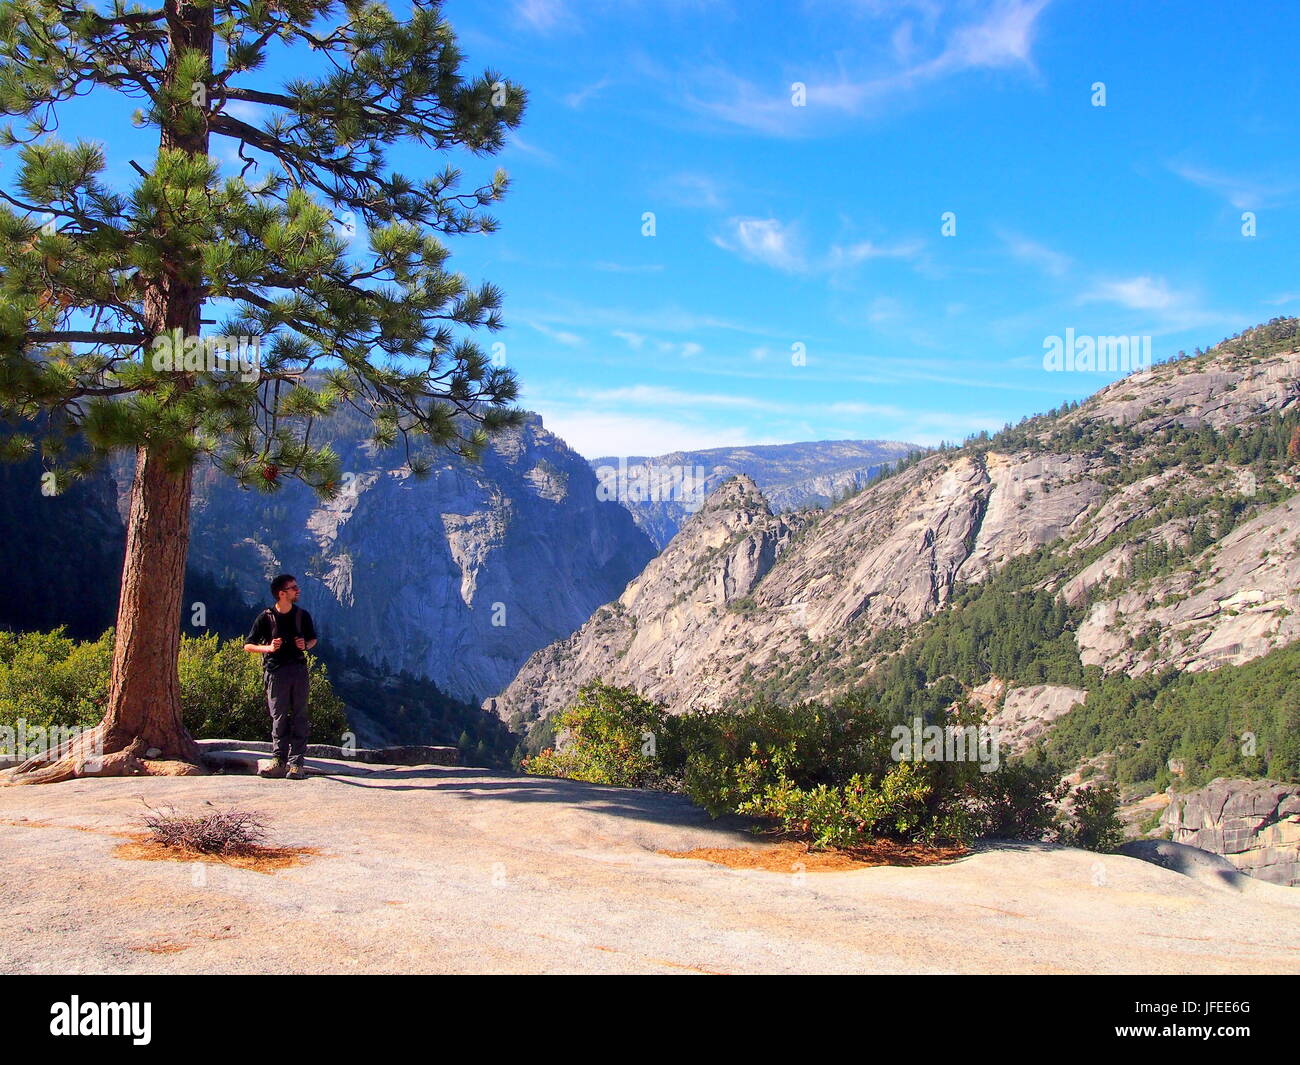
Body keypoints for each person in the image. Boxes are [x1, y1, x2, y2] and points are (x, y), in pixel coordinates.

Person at [243, 574, 318, 779]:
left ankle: (297, 764)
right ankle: (279, 760)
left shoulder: (302, 615)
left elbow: (313, 640)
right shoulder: (266, 617)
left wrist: (306, 645)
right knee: (279, 716)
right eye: (293, 588)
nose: (297, 590)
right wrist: (268, 648)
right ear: (281, 593)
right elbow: (248, 645)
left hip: (298, 670)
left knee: (300, 715)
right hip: (275, 672)